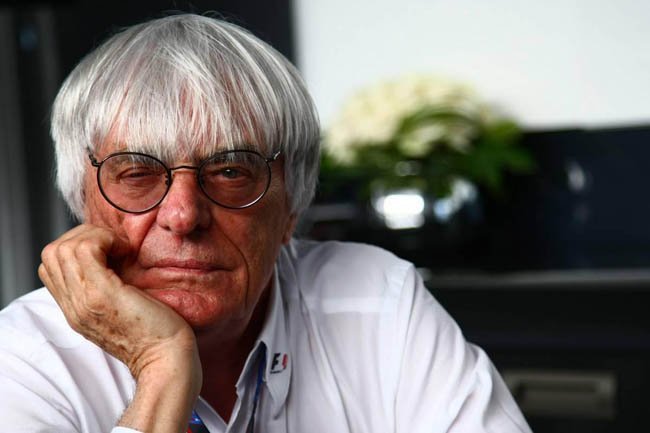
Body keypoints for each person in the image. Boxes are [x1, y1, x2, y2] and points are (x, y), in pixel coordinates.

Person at [0, 13, 531, 433]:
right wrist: (162, 366)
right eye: (137, 173)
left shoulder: (377, 299)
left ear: (291, 207)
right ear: (82, 203)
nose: (183, 215)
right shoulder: (22, 358)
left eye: (231, 172)